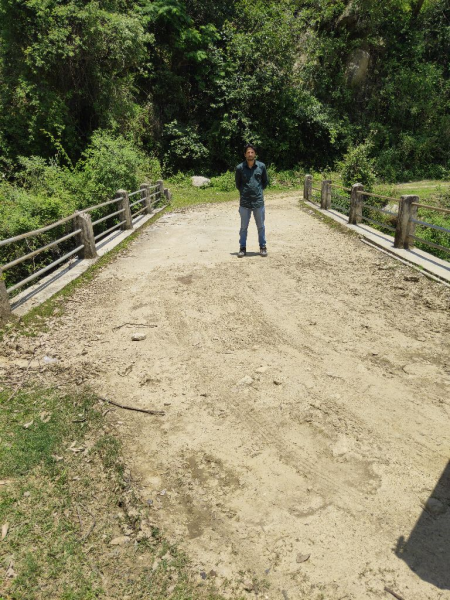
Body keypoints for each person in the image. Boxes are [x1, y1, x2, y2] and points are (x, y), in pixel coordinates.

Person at [235, 143, 269, 257]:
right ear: (245, 154)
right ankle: (242, 248)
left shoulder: (261, 166)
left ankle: (263, 247)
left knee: (261, 226)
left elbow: (265, 182)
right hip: (245, 203)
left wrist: (257, 191)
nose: (250, 154)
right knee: (243, 227)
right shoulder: (240, 168)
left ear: (255, 154)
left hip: (258, 202)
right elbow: (238, 184)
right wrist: (245, 193)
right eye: (248, 152)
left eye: (252, 152)